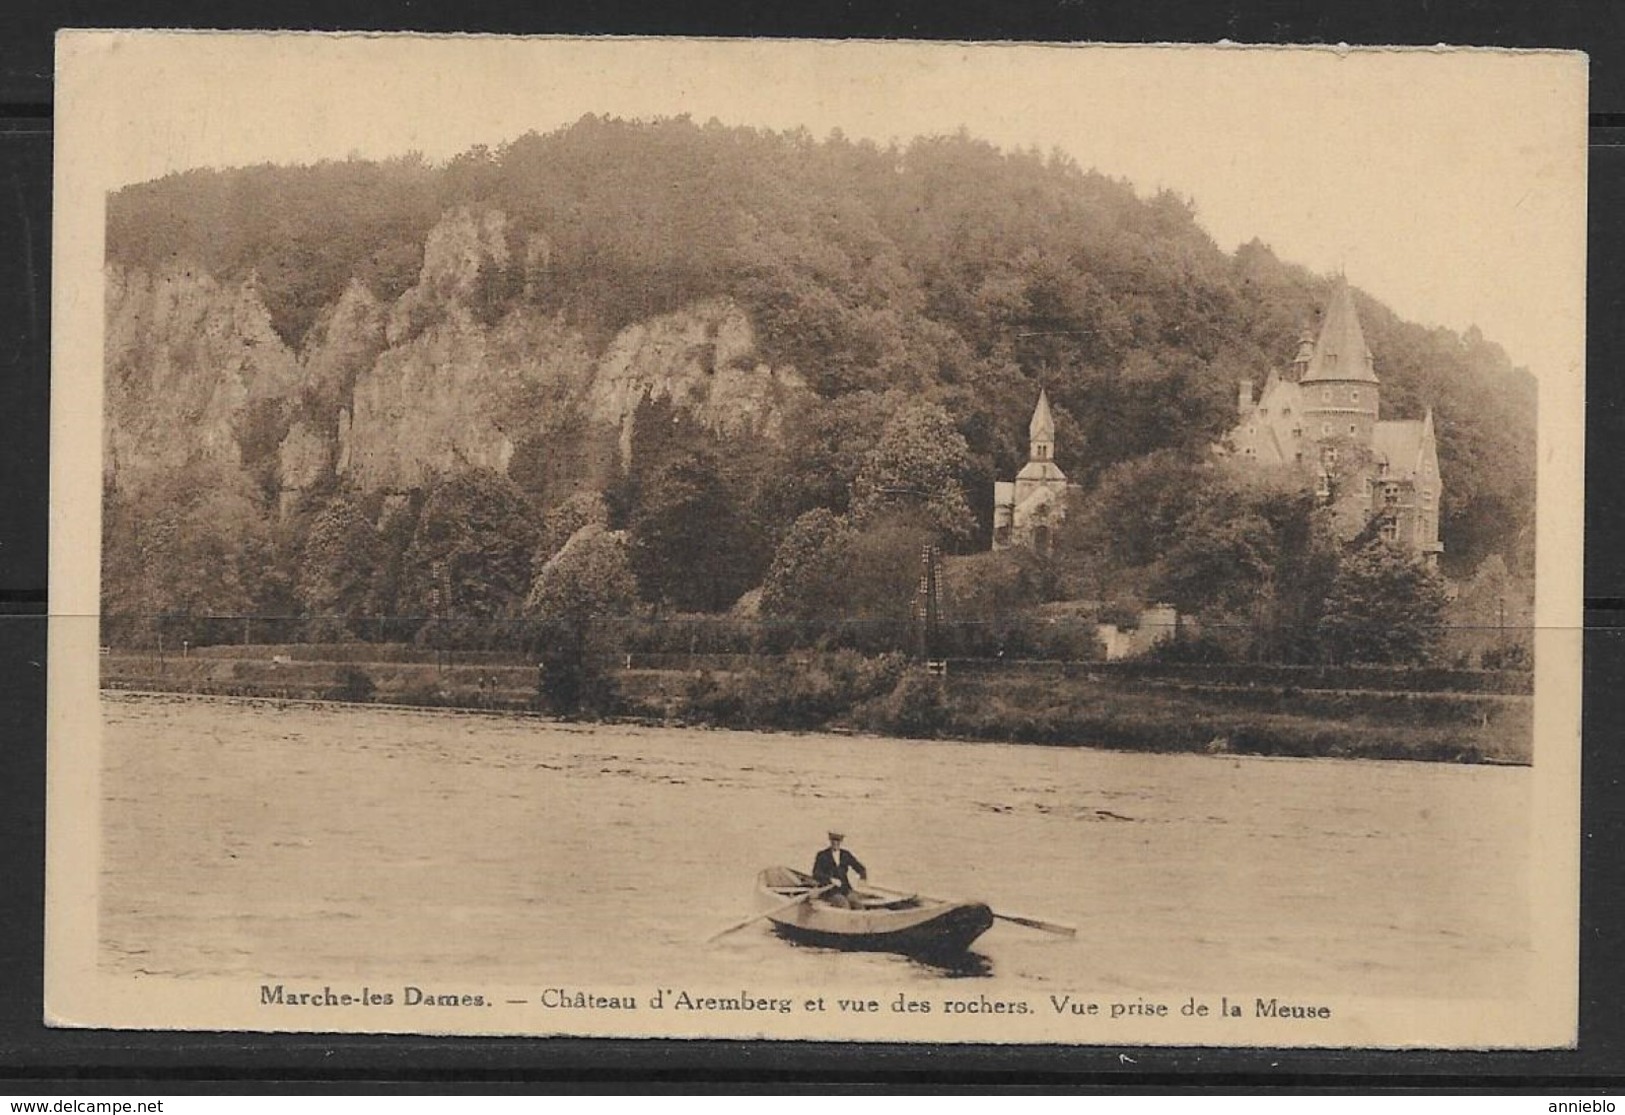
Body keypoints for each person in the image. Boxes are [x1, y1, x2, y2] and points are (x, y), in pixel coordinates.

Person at [811, 831, 867, 909]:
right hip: (830, 891)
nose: (835, 843)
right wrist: (830, 879)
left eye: (837, 841)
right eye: (833, 840)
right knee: (844, 904)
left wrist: (862, 878)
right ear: (830, 841)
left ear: (841, 841)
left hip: (845, 889)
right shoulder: (822, 855)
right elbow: (816, 874)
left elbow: (860, 868)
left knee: (858, 904)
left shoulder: (846, 854)